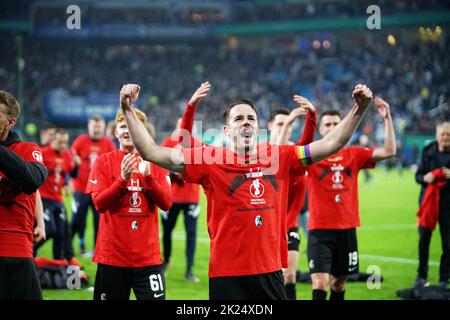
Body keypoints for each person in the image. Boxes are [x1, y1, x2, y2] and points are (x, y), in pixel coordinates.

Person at [119, 82, 373, 300]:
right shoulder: (209, 159)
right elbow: (150, 151)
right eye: (238, 119)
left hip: (270, 272)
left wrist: (359, 109)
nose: (246, 123)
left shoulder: (279, 156)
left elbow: (332, 142)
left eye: (251, 118)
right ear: (228, 131)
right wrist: (127, 108)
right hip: (226, 274)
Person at [303, 96, 396, 300]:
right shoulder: (312, 157)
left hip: (346, 229)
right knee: (320, 282)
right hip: (319, 231)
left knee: (339, 283)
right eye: (327, 124)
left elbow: (389, 151)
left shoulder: (354, 154)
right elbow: (299, 148)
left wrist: (387, 118)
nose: (332, 127)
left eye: (336, 123)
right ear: (321, 130)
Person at [86, 108, 172, 300]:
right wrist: (122, 180)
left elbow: (166, 204)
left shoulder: (156, 163)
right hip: (112, 257)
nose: (127, 131)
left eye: (133, 127)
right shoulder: (102, 162)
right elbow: (99, 204)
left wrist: (149, 178)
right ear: (116, 132)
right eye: (123, 126)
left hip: (148, 258)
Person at [0, 90, 49, 299]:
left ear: (10, 123)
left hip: (16, 250)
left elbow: (32, 182)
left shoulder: (28, 149)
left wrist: (40, 220)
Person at [160, 83, 210, 282]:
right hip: (170, 197)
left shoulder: (198, 144)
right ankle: (165, 261)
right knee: (167, 232)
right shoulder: (167, 142)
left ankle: (189, 269)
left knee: (191, 235)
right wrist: (174, 174)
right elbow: (160, 167)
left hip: (191, 197)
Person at [271, 100, 317, 300]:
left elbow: (305, 142)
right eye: (281, 124)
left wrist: (311, 116)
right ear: (270, 126)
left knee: (289, 275)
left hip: (289, 224)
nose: (286, 127)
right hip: (266, 225)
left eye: (289, 123)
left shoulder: (296, 153)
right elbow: (276, 157)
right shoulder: (260, 153)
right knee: (268, 278)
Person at [34, 129, 81, 266]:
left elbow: (68, 173)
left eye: (65, 142)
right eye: (60, 142)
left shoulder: (66, 155)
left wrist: (69, 179)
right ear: (52, 140)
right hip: (43, 199)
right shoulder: (42, 154)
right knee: (49, 230)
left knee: (61, 232)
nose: (63, 145)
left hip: (58, 200)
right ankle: (29, 253)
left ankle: (58, 263)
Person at [70, 115, 116, 256]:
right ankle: (68, 247)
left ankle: (98, 249)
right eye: (94, 126)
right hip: (81, 189)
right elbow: (70, 156)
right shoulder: (80, 141)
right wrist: (69, 177)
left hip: (99, 191)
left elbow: (114, 163)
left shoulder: (108, 144)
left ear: (103, 127)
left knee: (99, 221)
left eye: (99, 127)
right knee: (77, 220)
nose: (96, 129)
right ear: (89, 127)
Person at [414, 121, 450, 289]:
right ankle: (421, 277)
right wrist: (425, 178)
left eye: (448, 135)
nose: (445, 138)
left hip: (447, 205)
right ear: (437, 136)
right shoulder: (428, 151)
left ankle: (444, 279)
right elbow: (418, 176)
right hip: (428, 204)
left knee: (448, 244)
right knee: (423, 242)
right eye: (443, 134)